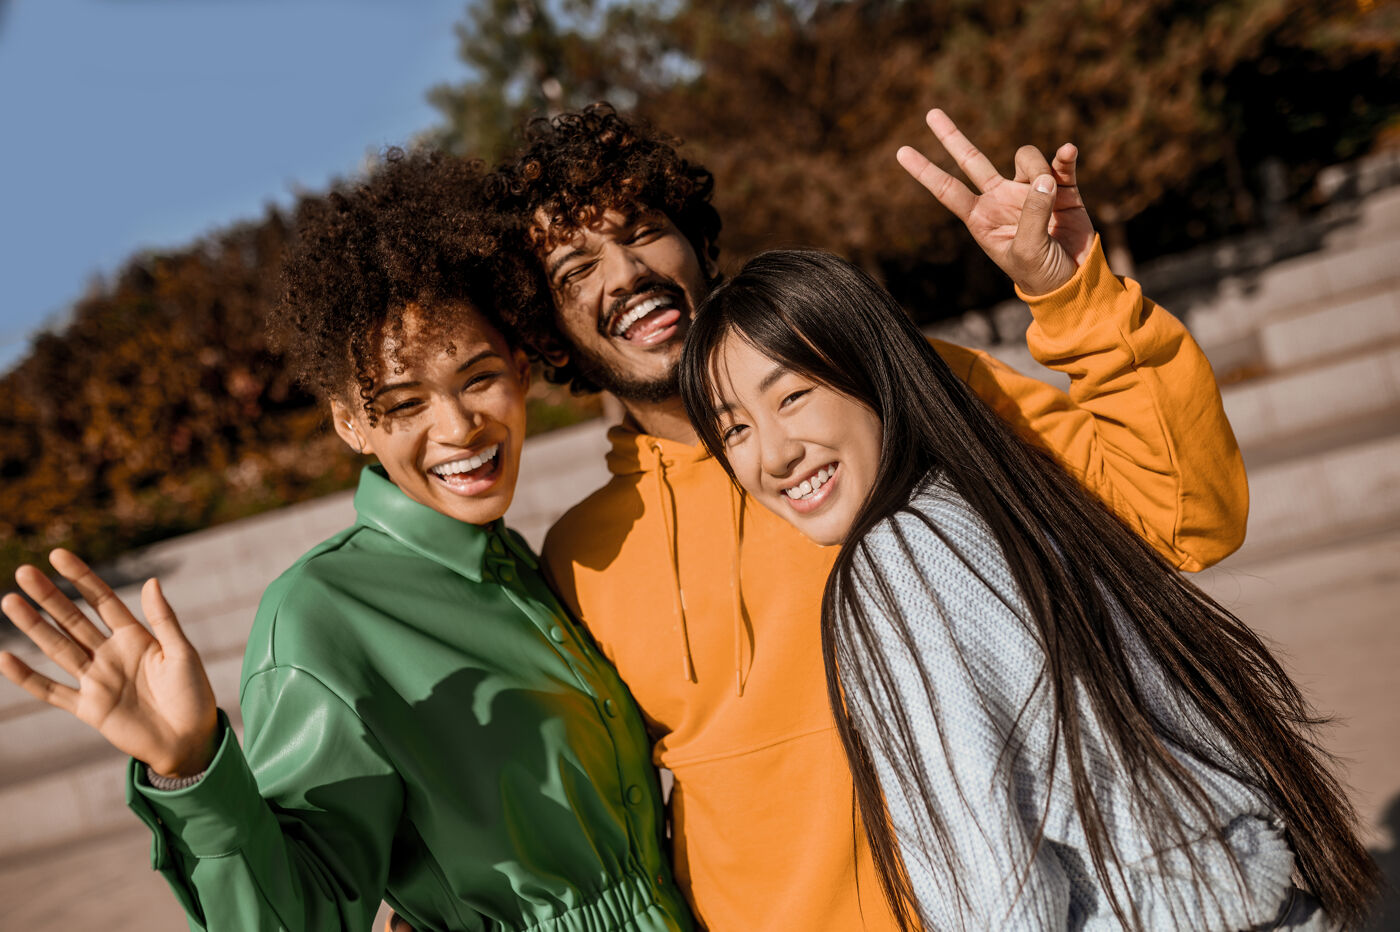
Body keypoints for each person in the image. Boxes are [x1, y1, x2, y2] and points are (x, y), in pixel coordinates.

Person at [487, 105, 1251, 930]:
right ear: (551, 337)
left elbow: (1184, 518)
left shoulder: (891, 398)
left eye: (641, 230)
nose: (625, 273)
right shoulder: (579, 556)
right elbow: (597, 816)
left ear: (697, 242)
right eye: (575, 271)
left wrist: (1069, 294)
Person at [0, 150, 694, 932]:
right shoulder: (319, 617)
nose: (459, 427)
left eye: (476, 378)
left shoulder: (525, 571)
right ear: (350, 423)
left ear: (520, 368)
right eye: (403, 403)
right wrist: (192, 769)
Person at [675, 245, 1379, 931]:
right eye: (734, 430)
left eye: (793, 396)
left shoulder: (893, 565)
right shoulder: (998, 497)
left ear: (872, 373)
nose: (773, 454)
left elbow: (989, 877)